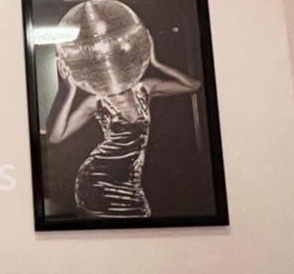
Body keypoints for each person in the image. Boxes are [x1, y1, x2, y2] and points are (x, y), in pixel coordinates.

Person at [46, 46, 200, 218]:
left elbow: (193, 86)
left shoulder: (144, 89)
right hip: (97, 180)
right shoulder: (96, 101)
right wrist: (70, 91)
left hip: (131, 183)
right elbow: (55, 137)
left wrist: (157, 64)